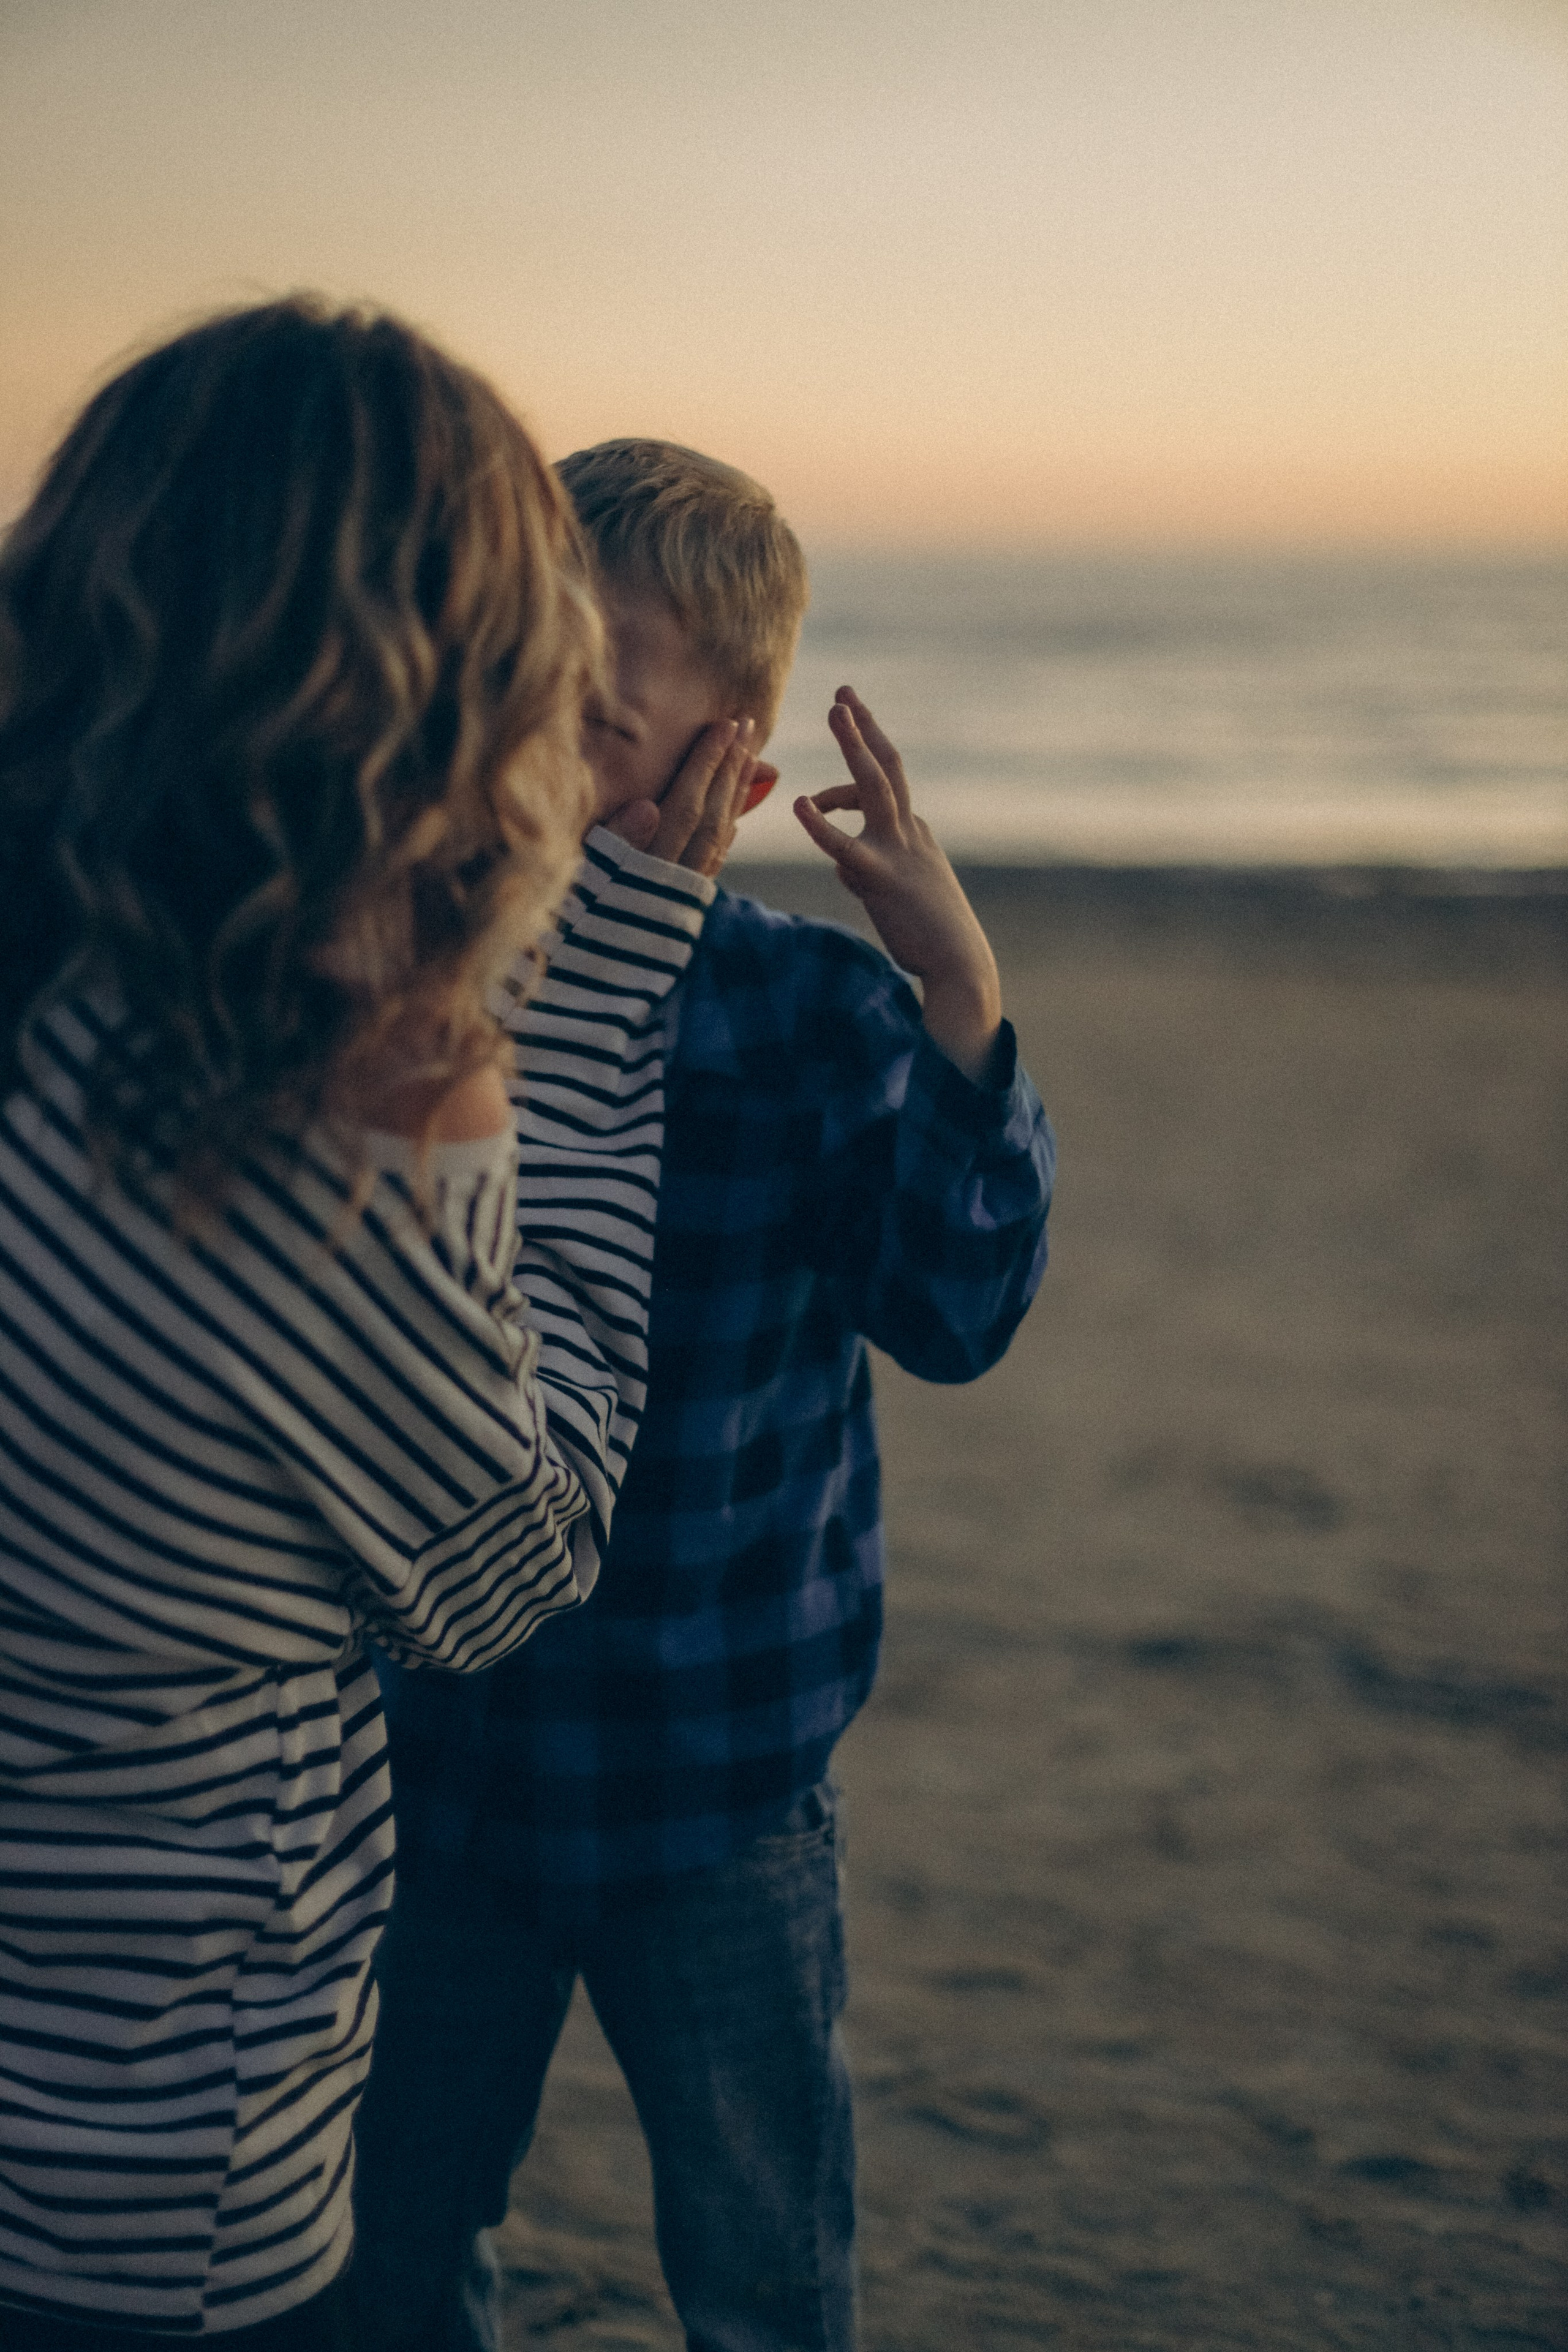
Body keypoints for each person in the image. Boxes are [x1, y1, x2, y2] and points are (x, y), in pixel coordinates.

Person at [0, 318, 720, 2344]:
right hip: (140, 2161)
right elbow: (507, 1569)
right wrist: (585, 1023)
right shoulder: (348, 1095)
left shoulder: (48, 968)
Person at [352, 440, 1056, 2352]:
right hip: (439, 1764)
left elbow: (954, 1312)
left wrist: (963, 1004)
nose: (526, 753)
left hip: (721, 1771)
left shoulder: (808, 1019)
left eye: (593, 722)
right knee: (389, 2246)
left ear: (730, 779)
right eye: (509, 684)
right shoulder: (411, 991)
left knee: (763, 2267)